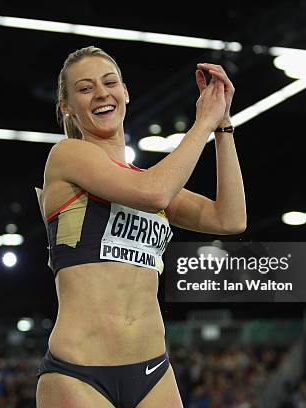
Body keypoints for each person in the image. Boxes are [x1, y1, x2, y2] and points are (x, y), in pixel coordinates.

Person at [35, 46, 246, 408]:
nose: (101, 93)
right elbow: (155, 193)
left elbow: (230, 219)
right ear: (66, 106)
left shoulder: (144, 180)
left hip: (153, 372)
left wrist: (223, 125)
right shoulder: (68, 156)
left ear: (125, 92)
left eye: (110, 82)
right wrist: (202, 124)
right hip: (79, 374)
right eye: (85, 88)